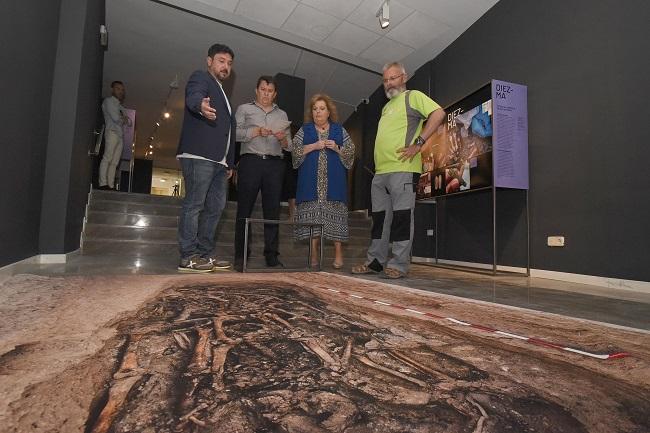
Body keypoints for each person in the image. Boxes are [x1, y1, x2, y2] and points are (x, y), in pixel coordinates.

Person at [352, 62, 445, 279]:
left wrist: (419, 143)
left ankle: (399, 265)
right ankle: (375, 262)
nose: (388, 83)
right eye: (385, 80)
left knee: (402, 217)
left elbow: (438, 113)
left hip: (403, 168)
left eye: (393, 78)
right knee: (380, 220)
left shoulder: (413, 96)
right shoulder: (386, 107)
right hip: (380, 173)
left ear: (404, 77)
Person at [176, 43, 236, 273]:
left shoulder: (223, 92)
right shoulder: (201, 78)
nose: (226, 66)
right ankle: (188, 255)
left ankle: (204, 253)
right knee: (194, 205)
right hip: (199, 155)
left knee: (216, 208)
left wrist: (229, 162)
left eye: (229, 63)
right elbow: (195, 95)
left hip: (219, 162)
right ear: (209, 61)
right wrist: (199, 105)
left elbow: (228, 131)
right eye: (221, 60)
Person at [291, 94, 355, 269]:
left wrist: (337, 147)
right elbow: (294, 152)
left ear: (329, 112)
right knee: (314, 220)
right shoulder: (305, 130)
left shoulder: (339, 130)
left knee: (336, 219)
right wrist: (313, 146)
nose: (318, 112)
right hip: (310, 184)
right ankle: (313, 253)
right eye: (315, 109)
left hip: (333, 184)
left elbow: (350, 154)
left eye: (322, 108)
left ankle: (338, 254)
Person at [233, 76, 291, 269]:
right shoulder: (244, 109)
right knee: (244, 210)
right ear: (257, 90)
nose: (266, 94)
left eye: (270, 91)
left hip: (274, 164)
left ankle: (272, 256)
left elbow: (289, 146)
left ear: (275, 94)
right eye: (263, 89)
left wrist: (283, 140)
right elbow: (234, 133)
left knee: (273, 211)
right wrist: (256, 131)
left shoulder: (282, 115)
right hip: (250, 161)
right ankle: (241, 256)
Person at [99, 81, 130, 190]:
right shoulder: (108, 101)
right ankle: (103, 183)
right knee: (107, 158)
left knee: (115, 162)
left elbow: (129, 122)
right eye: (118, 89)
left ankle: (110, 185)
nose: (120, 91)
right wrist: (123, 119)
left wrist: (123, 119)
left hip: (119, 135)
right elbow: (116, 118)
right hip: (111, 132)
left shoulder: (121, 107)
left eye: (122, 90)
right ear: (113, 89)